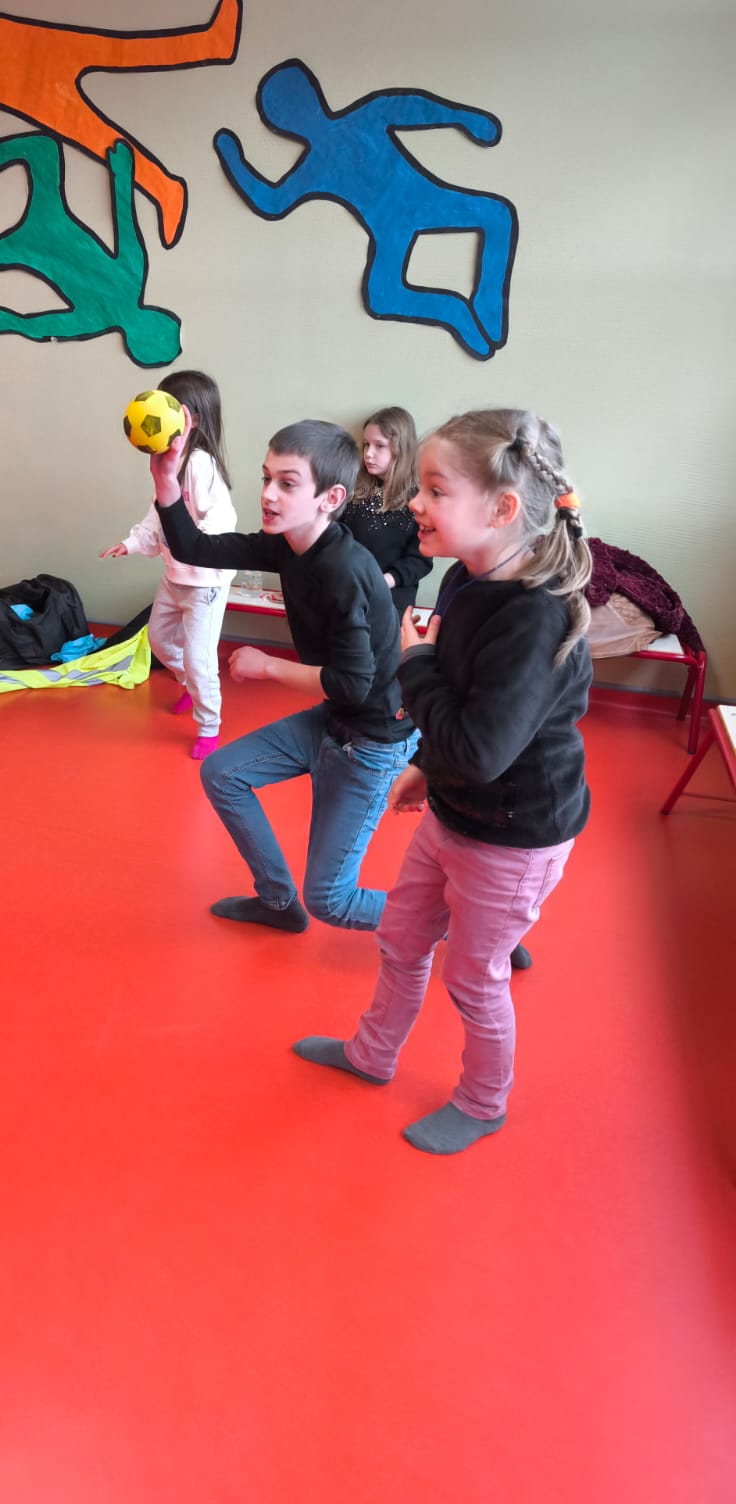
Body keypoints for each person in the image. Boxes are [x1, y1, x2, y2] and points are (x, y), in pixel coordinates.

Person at [293, 409, 592, 1155]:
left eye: (435, 490)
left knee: (473, 978)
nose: (414, 503)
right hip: (459, 807)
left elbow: (482, 746)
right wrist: (429, 766)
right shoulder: (467, 578)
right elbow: (465, 706)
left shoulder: (534, 619)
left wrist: (414, 665)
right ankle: (371, 1054)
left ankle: (484, 1102)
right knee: (400, 937)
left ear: (502, 509)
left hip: (515, 835)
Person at [148, 418, 416, 932]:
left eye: (287, 484)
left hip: (374, 741)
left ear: (330, 498)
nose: (268, 494)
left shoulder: (344, 569)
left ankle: (465, 926)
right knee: (222, 774)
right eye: (266, 478)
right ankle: (276, 901)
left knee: (332, 902)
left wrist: (267, 666)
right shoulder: (288, 543)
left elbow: (353, 683)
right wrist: (165, 483)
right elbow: (194, 548)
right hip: (336, 721)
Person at [101, 371, 237, 759]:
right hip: (174, 576)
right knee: (159, 641)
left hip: (205, 582)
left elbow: (222, 519)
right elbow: (157, 516)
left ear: (190, 419)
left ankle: (208, 725)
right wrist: (131, 543)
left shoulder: (201, 464)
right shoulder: (170, 465)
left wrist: (199, 545)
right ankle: (191, 684)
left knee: (199, 658)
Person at [342, 406, 428, 616]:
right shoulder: (353, 492)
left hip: (390, 600)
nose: (368, 454)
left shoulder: (418, 501)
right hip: (348, 591)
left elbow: (420, 559)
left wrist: (385, 580)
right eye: (366, 445)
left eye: (379, 446)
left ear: (400, 449)